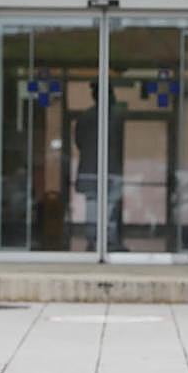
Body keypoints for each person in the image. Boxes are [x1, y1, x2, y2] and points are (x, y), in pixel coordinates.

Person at [74, 81, 125, 251]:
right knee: (109, 209)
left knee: (93, 208)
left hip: (91, 170)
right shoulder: (115, 116)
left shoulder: (85, 117)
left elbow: (79, 141)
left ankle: (95, 242)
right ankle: (107, 242)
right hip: (110, 170)